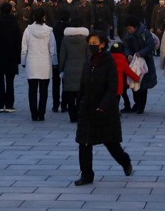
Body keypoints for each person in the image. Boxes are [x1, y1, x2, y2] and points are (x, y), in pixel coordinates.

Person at [74, 30, 133, 186]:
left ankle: (125, 160)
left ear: (103, 44)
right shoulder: (88, 61)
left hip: (105, 109)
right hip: (87, 107)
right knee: (84, 142)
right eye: (90, 43)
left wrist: (103, 105)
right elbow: (83, 83)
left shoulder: (109, 62)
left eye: (95, 43)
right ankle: (87, 175)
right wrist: (77, 101)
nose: (91, 46)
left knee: (110, 142)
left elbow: (112, 87)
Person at [21, 7, 57, 121]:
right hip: (45, 63)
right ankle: (41, 114)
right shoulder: (49, 31)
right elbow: (52, 49)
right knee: (43, 91)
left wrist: (23, 61)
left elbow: (24, 48)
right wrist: (54, 62)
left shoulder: (28, 30)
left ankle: (33, 114)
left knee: (32, 90)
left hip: (31, 62)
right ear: (44, 16)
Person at [0, 2, 22, 113]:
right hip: (11, 55)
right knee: (10, 81)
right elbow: (18, 41)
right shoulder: (14, 23)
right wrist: (18, 57)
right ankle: (9, 104)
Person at [122, 16, 158, 113]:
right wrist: (128, 54)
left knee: (143, 85)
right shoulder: (128, 35)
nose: (129, 30)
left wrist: (140, 53)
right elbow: (126, 46)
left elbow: (151, 45)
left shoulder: (145, 33)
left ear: (135, 27)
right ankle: (137, 103)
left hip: (145, 62)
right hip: (133, 63)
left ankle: (141, 105)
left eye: (130, 28)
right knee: (134, 83)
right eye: (128, 28)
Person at [59, 19, 89, 121]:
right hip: (83, 68)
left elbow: (62, 56)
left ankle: (72, 116)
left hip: (69, 68)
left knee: (70, 94)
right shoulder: (85, 39)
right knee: (81, 94)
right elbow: (89, 55)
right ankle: (81, 114)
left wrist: (60, 69)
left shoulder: (65, 40)